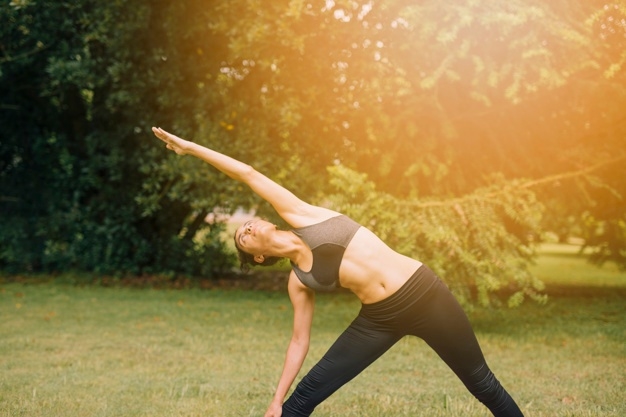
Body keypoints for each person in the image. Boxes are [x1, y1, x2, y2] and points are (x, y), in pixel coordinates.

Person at [151, 126, 525, 417]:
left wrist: (191, 148)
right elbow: (299, 341)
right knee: (298, 405)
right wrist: (275, 399)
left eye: (247, 226)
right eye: (241, 239)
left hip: (423, 293)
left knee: (482, 384)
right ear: (258, 257)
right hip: (380, 319)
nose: (246, 231)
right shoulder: (298, 281)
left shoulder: (301, 214)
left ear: (263, 221)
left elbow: (247, 173)